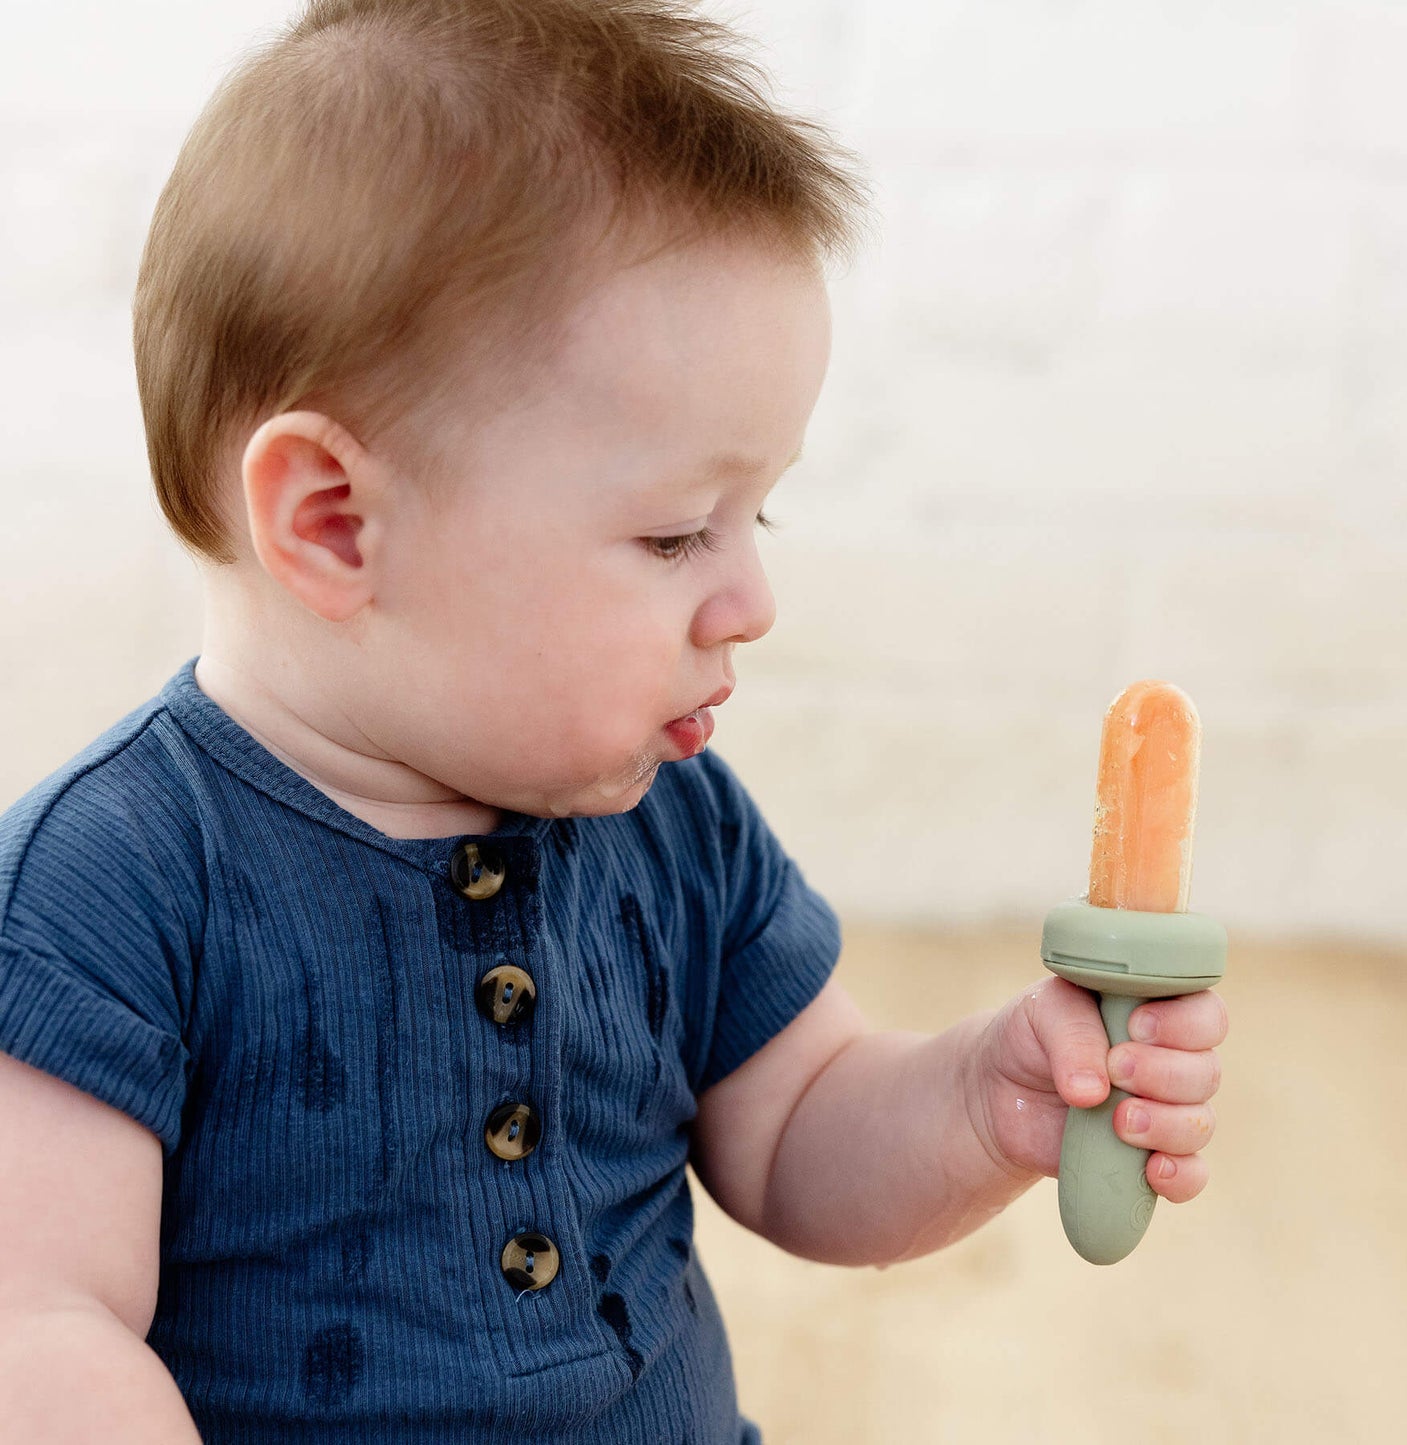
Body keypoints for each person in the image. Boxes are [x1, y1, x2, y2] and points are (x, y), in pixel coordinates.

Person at [0, 2, 1227, 1441]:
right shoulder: (109, 888)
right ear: (336, 525)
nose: (752, 598)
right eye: (672, 536)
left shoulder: (668, 816)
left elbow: (798, 1128)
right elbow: (41, 1323)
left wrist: (981, 1102)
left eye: (752, 514)